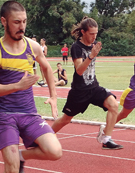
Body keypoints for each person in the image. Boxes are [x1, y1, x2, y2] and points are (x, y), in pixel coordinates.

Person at [0, 0, 62, 173]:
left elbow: (47, 68)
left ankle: (22, 155)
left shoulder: (32, 46)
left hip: (28, 113)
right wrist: (18, 86)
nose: (22, 26)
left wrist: (53, 95)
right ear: (4, 22)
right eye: (17, 22)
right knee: (11, 169)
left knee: (55, 151)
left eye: (25, 21)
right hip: (4, 115)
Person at [52, 17, 123, 150]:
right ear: (83, 32)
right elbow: (79, 71)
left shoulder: (94, 44)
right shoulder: (76, 47)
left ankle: (106, 139)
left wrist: (93, 53)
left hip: (94, 87)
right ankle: (47, 136)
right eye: (91, 33)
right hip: (79, 91)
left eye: (96, 33)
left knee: (113, 104)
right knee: (66, 119)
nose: (94, 37)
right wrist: (91, 56)